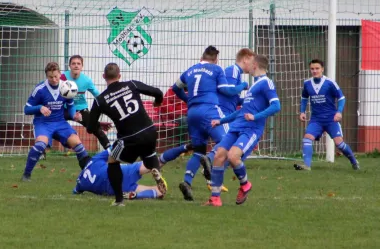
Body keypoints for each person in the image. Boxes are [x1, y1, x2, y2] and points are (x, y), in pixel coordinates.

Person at [172, 46, 248, 201]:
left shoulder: (191, 70)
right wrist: (243, 86)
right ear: (215, 59)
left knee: (198, 150)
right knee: (229, 139)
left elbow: (175, 88)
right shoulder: (216, 69)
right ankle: (211, 160)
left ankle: (187, 182)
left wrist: (189, 101)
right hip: (209, 111)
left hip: (192, 113)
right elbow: (227, 91)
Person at [87, 62, 165, 206]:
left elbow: (91, 127)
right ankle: (155, 170)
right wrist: (157, 102)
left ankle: (118, 200)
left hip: (129, 138)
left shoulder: (100, 100)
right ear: (119, 75)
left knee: (112, 160)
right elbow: (158, 92)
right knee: (148, 156)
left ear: (104, 76)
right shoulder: (131, 85)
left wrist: (98, 126)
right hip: (149, 131)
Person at [208, 54, 281, 207]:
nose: (246, 65)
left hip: (251, 129)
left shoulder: (266, 83)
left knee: (233, 156)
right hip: (237, 126)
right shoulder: (253, 86)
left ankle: (245, 184)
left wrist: (255, 117)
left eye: (250, 62)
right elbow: (241, 112)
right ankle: (215, 199)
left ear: (255, 65)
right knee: (219, 156)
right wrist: (220, 121)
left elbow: (276, 106)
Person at [21, 62, 90, 181]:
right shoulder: (40, 89)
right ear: (46, 76)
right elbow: (26, 109)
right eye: (50, 77)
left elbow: (70, 105)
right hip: (43, 123)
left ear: (60, 74)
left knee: (79, 145)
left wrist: (74, 115)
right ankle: (26, 175)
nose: (53, 79)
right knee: (40, 145)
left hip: (60, 122)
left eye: (56, 76)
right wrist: (39, 108)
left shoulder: (67, 87)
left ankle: (88, 177)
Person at [294, 59, 359, 171]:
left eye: (317, 68)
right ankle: (307, 166)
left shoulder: (330, 83)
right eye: (312, 69)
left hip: (331, 119)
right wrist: (302, 111)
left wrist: (339, 112)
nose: (314, 71)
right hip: (316, 119)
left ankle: (354, 161)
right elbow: (304, 98)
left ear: (322, 69)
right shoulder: (307, 83)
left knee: (339, 143)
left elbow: (342, 98)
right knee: (307, 138)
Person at [73, 149, 167, 200]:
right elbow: (113, 149)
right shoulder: (94, 160)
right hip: (119, 172)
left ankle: (136, 196)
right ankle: (180, 149)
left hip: (115, 189)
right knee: (153, 163)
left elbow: (75, 191)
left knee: (160, 192)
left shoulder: (80, 181)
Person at [62, 55, 110, 149]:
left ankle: (110, 150)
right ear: (70, 66)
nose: (76, 66)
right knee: (49, 123)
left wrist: (108, 106)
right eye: (73, 63)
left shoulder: (86, 80)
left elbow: (97, 95)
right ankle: (41, 150)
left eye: (78, 64)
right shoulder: (62, 77)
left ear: (82, 67)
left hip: (81, 110)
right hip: (64, 109)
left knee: (96, 128)